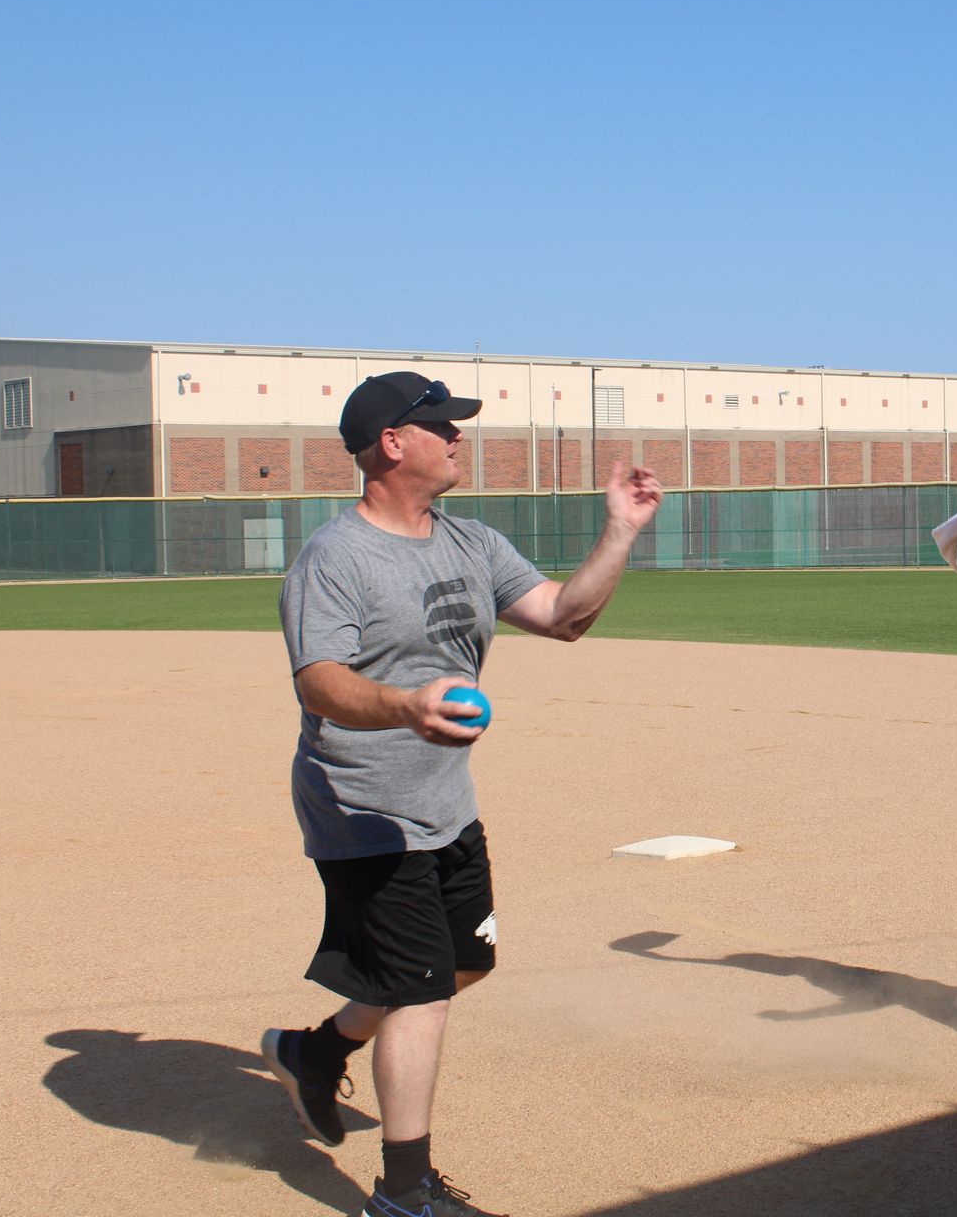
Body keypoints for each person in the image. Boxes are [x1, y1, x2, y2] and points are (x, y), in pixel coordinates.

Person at [264, 371, 664, 1216]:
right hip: (362, 808)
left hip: (444, 801)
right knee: (418, 992)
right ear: (390, 444)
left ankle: (316, 1052)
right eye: (440, 426)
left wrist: (620, 533)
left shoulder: (472, 543)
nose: (457, 437)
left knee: (462, 966)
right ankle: (405, 1198)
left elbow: (563, 615)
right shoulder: (334, 559)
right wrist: (406, 706)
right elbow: (321, 683)